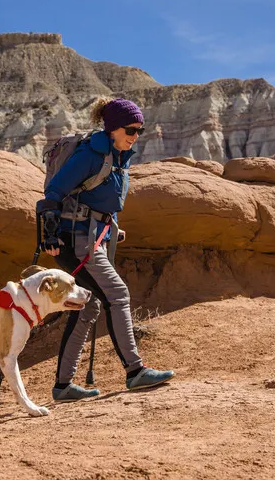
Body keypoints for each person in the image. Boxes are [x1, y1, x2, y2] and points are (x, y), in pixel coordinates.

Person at [36, 97, 175, 402]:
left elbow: (98, 200)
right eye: (130, 129)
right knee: (118, 294)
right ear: (112, 128)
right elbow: (53, 193)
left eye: (139, 130)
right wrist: (50, 235)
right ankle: (135, 370)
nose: (135, 135)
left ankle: (63, 386)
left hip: (92, 236)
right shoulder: (92, 153)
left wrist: (111, 228)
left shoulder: (117, 155)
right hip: (75, 241)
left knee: (89, 305)